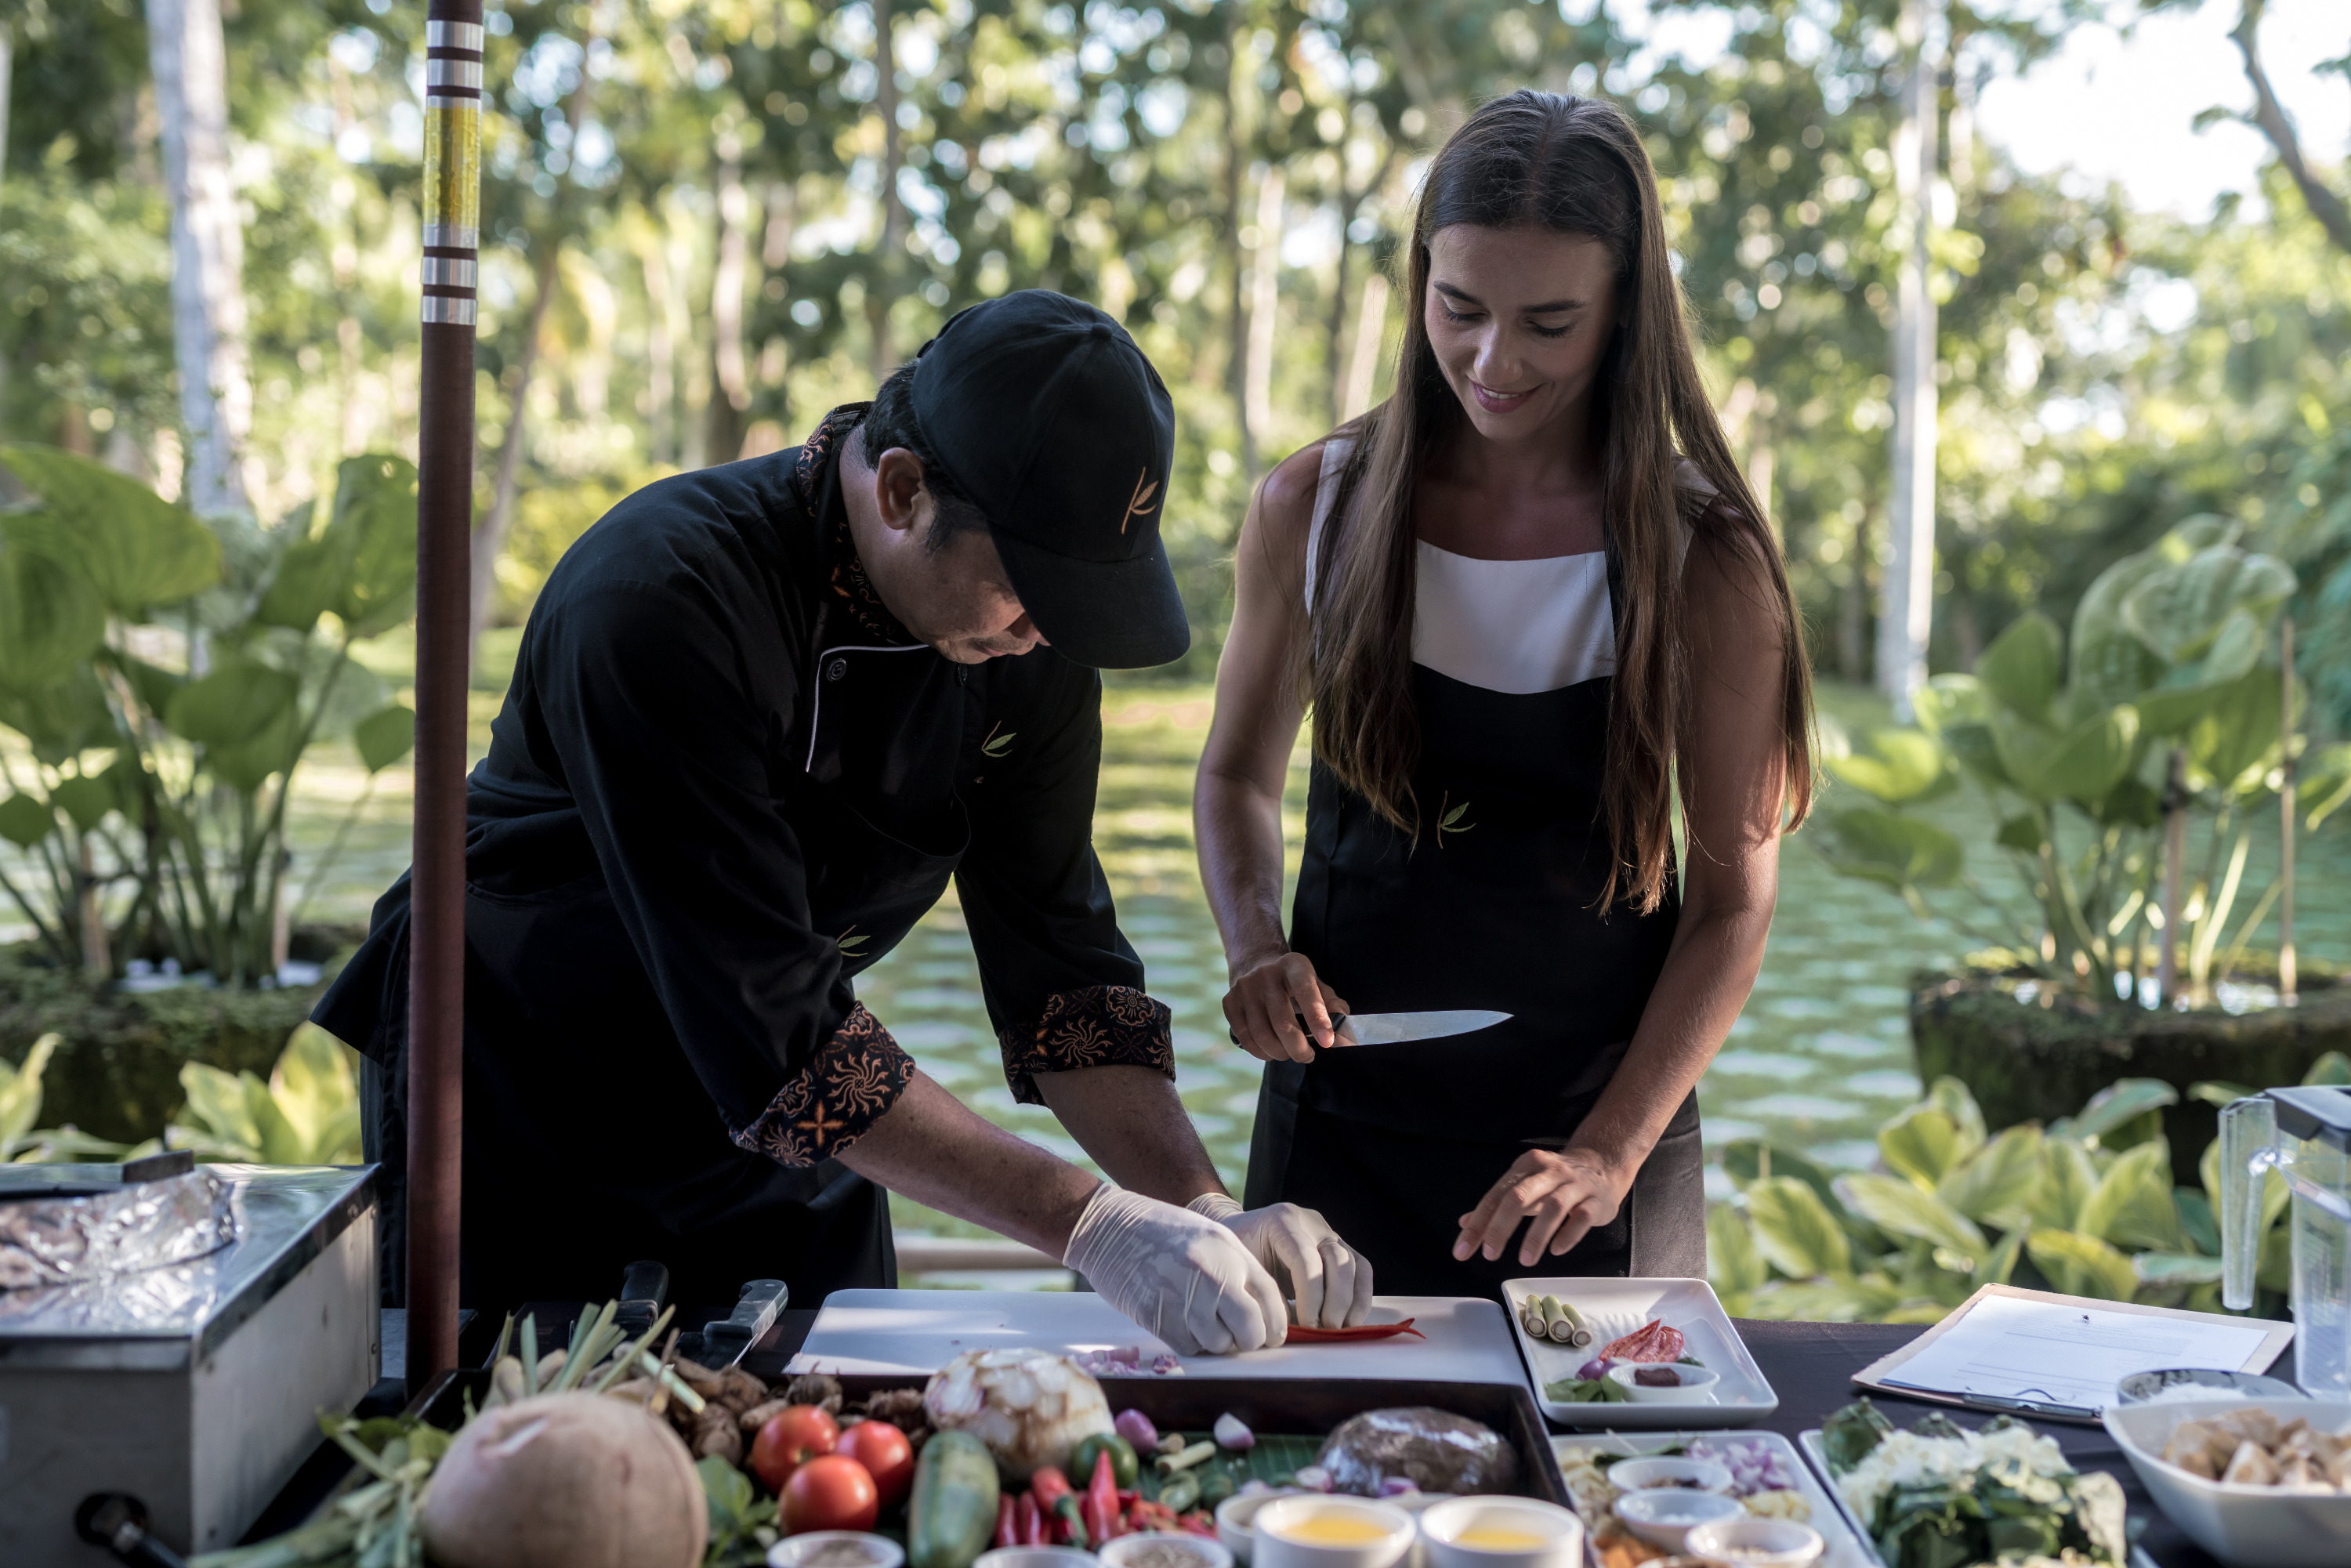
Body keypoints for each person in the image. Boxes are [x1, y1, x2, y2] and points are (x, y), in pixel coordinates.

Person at [317, 290, 1372, 1352]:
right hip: (530, 1092)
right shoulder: (660, 599)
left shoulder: (1028, 650)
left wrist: (1199, 1210)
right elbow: (778, 1038)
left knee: (826, 1428)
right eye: (1026, 585)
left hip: (804, 1096)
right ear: (905, 489)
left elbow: (1062, 978)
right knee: (527, 1452)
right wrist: (1090, 1223)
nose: (1047, 631)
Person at [1195, 92, 1814, 1295]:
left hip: (1591, 1163)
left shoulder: (1706, 558)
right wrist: (1253, 944)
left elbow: (1734, 904)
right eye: (1460, 307)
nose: (1493, 360)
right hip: (1338, 1140)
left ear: (1626, 311)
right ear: (1418, 278)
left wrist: (1608, 1151)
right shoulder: (1313, 507)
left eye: (1550, 322)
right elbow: (1231, 775)